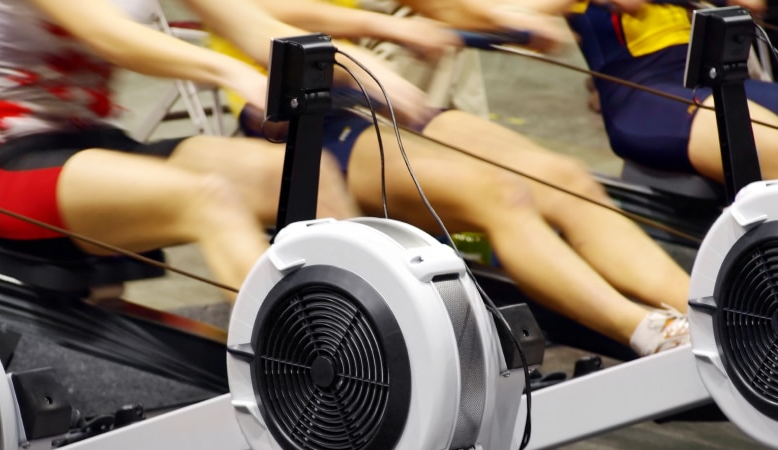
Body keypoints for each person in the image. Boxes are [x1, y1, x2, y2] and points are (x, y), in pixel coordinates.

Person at [209, 0, 693, 356]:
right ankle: (645, 331)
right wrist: (381, 33)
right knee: (501, 196)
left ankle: (702, 312)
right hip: (302, 118)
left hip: (372, 98)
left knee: (564, 179)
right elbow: (264, 20)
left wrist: (508, 18)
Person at [0, 0, 440, 301]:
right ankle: (304, 372)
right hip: (3, 160)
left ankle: (373, 335)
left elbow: (257, 28)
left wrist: (373, 70)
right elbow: (107, 37)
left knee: (303, 173)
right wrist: (228, 72)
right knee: (209, 198)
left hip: (93, 144)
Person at [565, 0, 778, 183]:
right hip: (645, 98)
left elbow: (752, 4)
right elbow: (534, 8)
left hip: (710, 78)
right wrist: (533, 19)